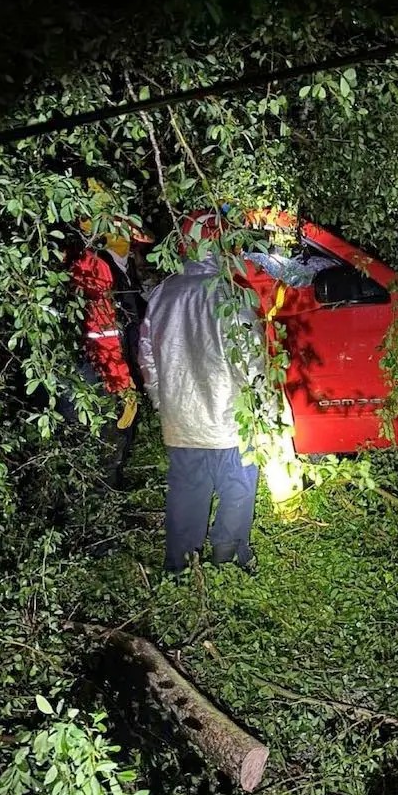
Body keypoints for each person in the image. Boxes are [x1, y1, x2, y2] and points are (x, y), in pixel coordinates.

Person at [138, 211, 266, 573]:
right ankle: (226, 559)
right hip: (231, 421)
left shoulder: (163, 292)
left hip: (181, 420)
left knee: (186, 492)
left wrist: (163, 403)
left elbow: (147, 356)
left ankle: (180, 564)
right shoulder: (233, 292)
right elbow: (253, 361)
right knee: (237, 489)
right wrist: (264, 412)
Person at [66, 218, 151, 489]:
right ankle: (102, 490)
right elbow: (101, 333)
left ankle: (106, 484)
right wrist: (122, 382)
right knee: (107, 426)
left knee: (115, 425)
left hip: (113, 359)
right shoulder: (94, 266)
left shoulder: (117, 265)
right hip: (99, 364)